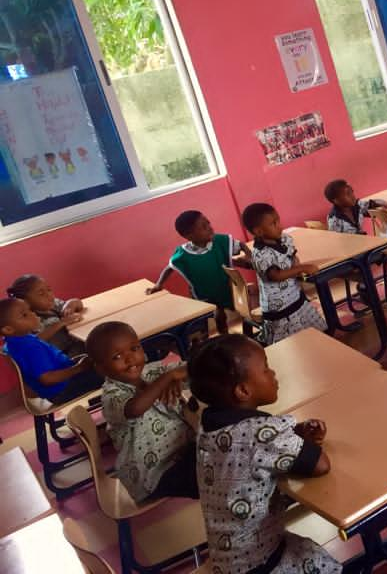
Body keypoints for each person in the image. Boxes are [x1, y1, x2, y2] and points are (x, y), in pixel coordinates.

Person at [188, 334, 341, 574]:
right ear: (243, 391)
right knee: (323, 563)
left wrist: (293, 438)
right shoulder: (260, 434)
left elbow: (249, 452)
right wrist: (302, 443)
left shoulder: (208, 424)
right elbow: (320, 465)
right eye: (266, 369)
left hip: (229, 561)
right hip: (262, 564)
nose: (273, 374)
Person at [85, 321, 198, 502]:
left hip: (182, 451)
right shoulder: (111, 396)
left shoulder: (152, 371)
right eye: (117, 356)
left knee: (221, 443)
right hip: (153, 474)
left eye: (134, 348)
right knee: (214, 472)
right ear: (100, 368)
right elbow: (135, 408)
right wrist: (169, 377)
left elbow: (193, 367)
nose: (130, 359)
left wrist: (177, 373)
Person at [148, 211, 252, 336]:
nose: (209, 228)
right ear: (189, 235)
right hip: (205, 293)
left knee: (244, 312)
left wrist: (248, 255)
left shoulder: (220, 240)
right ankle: (224, 336)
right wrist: (158, 285)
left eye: (208, 223)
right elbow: (170, 267)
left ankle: (249, 335)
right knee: (217, 314)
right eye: (203, 227)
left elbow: (240, 244)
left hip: (227, 287)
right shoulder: (183, 255)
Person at [241, 203, 327, 344]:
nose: (279, 226)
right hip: (278, 307)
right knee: (292, 343)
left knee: (312, 335)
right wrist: (301, 268)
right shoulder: (260, 254)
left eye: (278, 220)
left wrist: (296, 265)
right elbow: (275, 275)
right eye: (273, 224)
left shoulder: (285, 239)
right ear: (259, 231)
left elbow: (292, 257)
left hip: (294, 297)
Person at [0, 297, 102, 404]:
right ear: (8, 329)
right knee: (109, 369)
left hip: (58, 383)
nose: (33, 314)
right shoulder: (30, 348)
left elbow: (38, 339)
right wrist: (79, 368)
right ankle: (114, 403)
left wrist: (61, 323)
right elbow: (47, 379)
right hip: (63, 390)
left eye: (29, 310)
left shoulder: (15, 342)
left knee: (98, 358)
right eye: (24, 315)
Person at [7, 274, 86, 355]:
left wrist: (71, 304)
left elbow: (78, 303)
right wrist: (61, 323)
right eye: (41, 294)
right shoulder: (30, 321)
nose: (49, 295)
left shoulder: (53, 303)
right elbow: (34, 341)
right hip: (63, 355)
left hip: (76, 341)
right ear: (25, 301)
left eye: (49, 289)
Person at [323, 179, 387, 235]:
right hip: (351, 249)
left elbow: (371, 203)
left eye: (352, 192)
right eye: (348, 194)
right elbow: (337, 240)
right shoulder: (334, 220)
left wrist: (384, 204)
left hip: (363, 242)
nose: (353, 196)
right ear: (336, 200)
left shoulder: (357, 205)